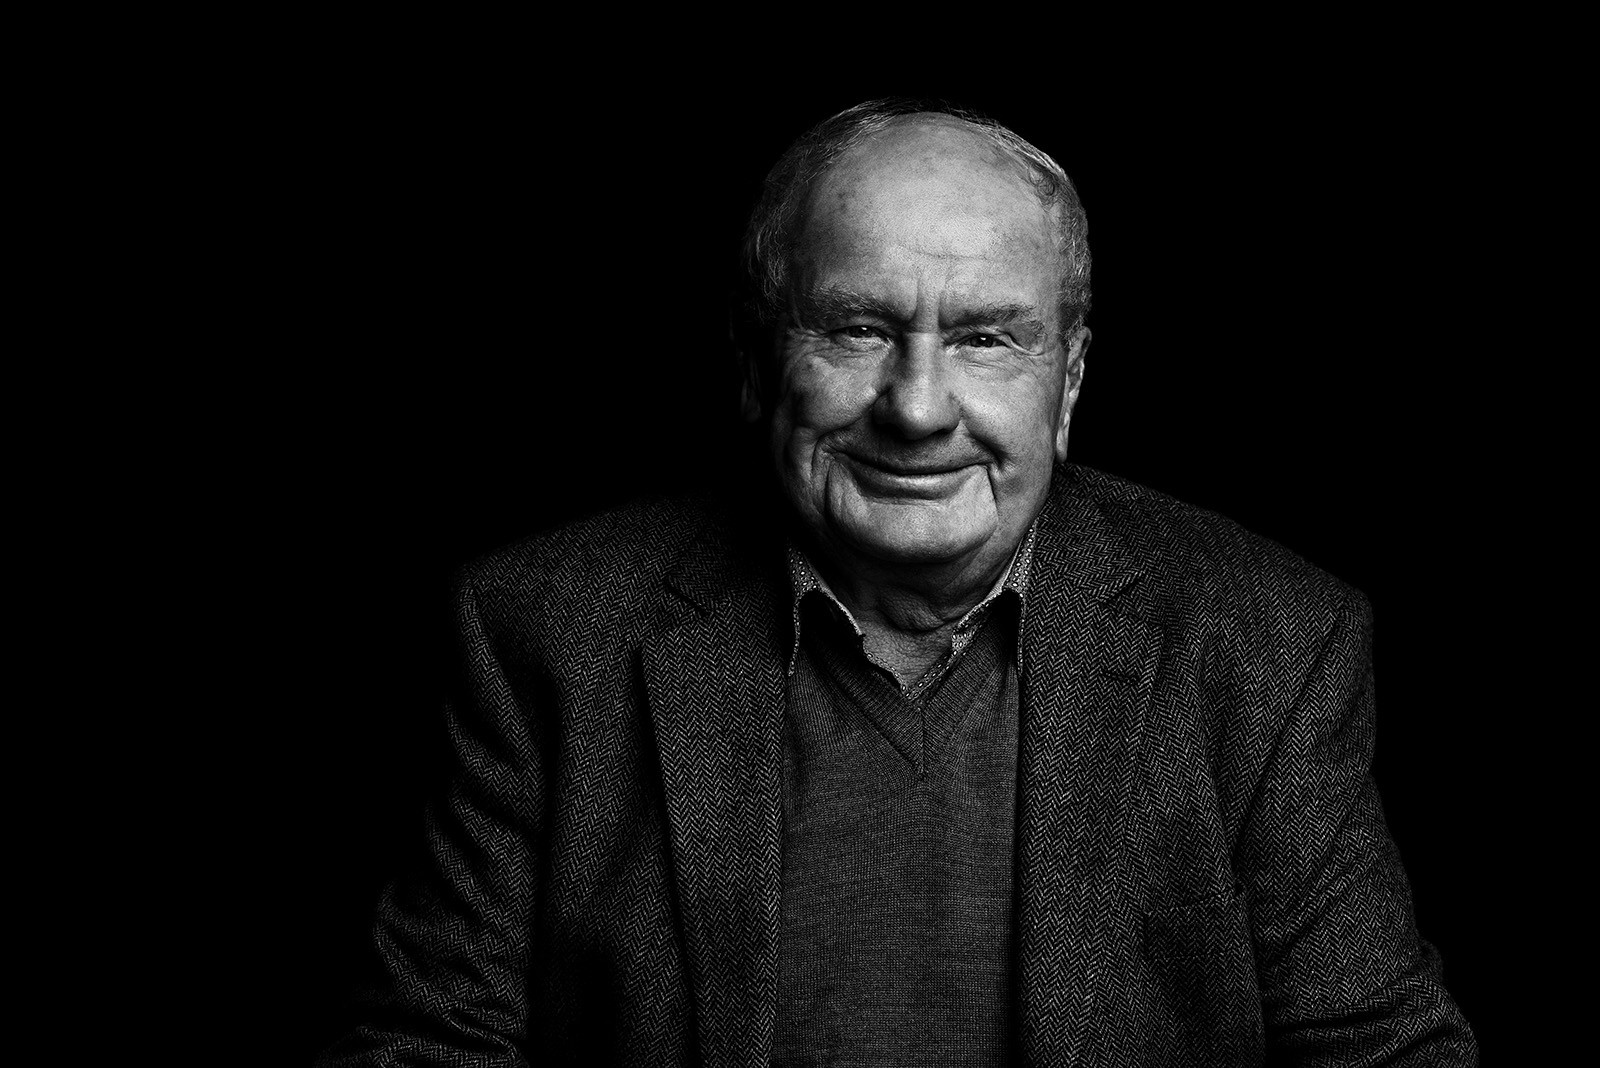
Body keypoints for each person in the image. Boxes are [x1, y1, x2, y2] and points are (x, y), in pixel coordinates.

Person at [318, 99, 1477, 1066]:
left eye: (985, 339)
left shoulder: (1268, 640)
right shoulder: (541, 631)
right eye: (859, 329)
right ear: (755, 361)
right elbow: (425, 1045)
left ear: (1068, 383)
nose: (916, 409)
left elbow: (1380, 1051)